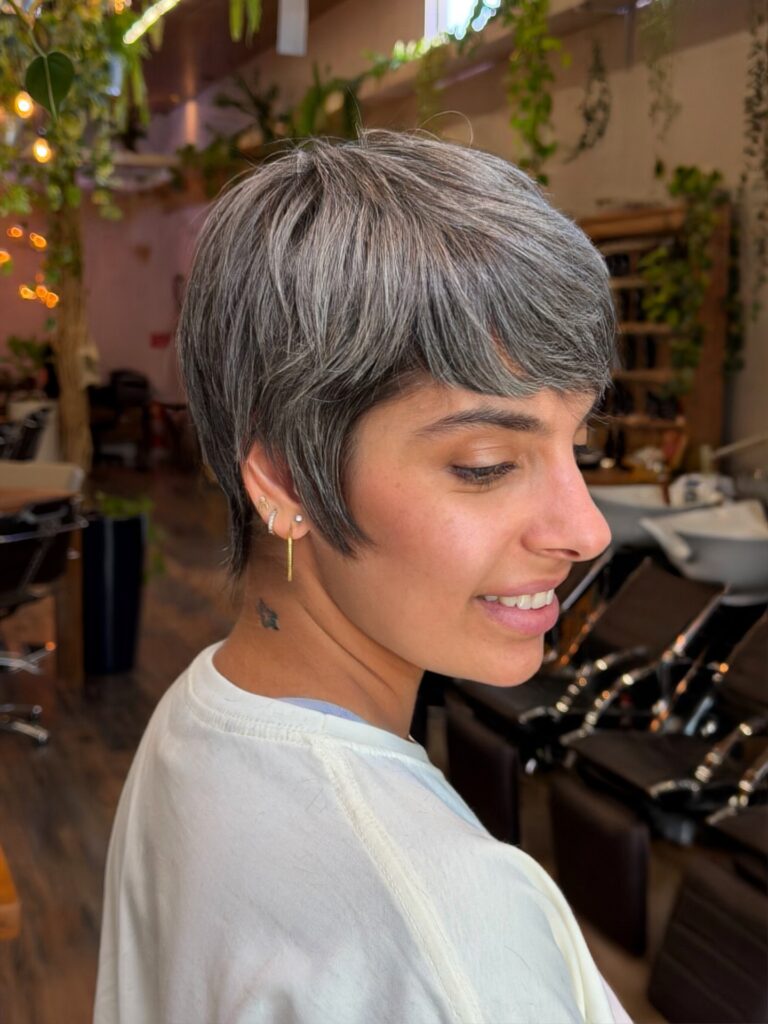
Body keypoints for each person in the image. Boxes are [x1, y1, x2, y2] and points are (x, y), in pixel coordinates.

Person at [94, 130, 630, 1023]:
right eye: (489, 463)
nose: (587, 530)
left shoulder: (199, 723)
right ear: (285, 476)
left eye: (581, 444)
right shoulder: (450, 945)